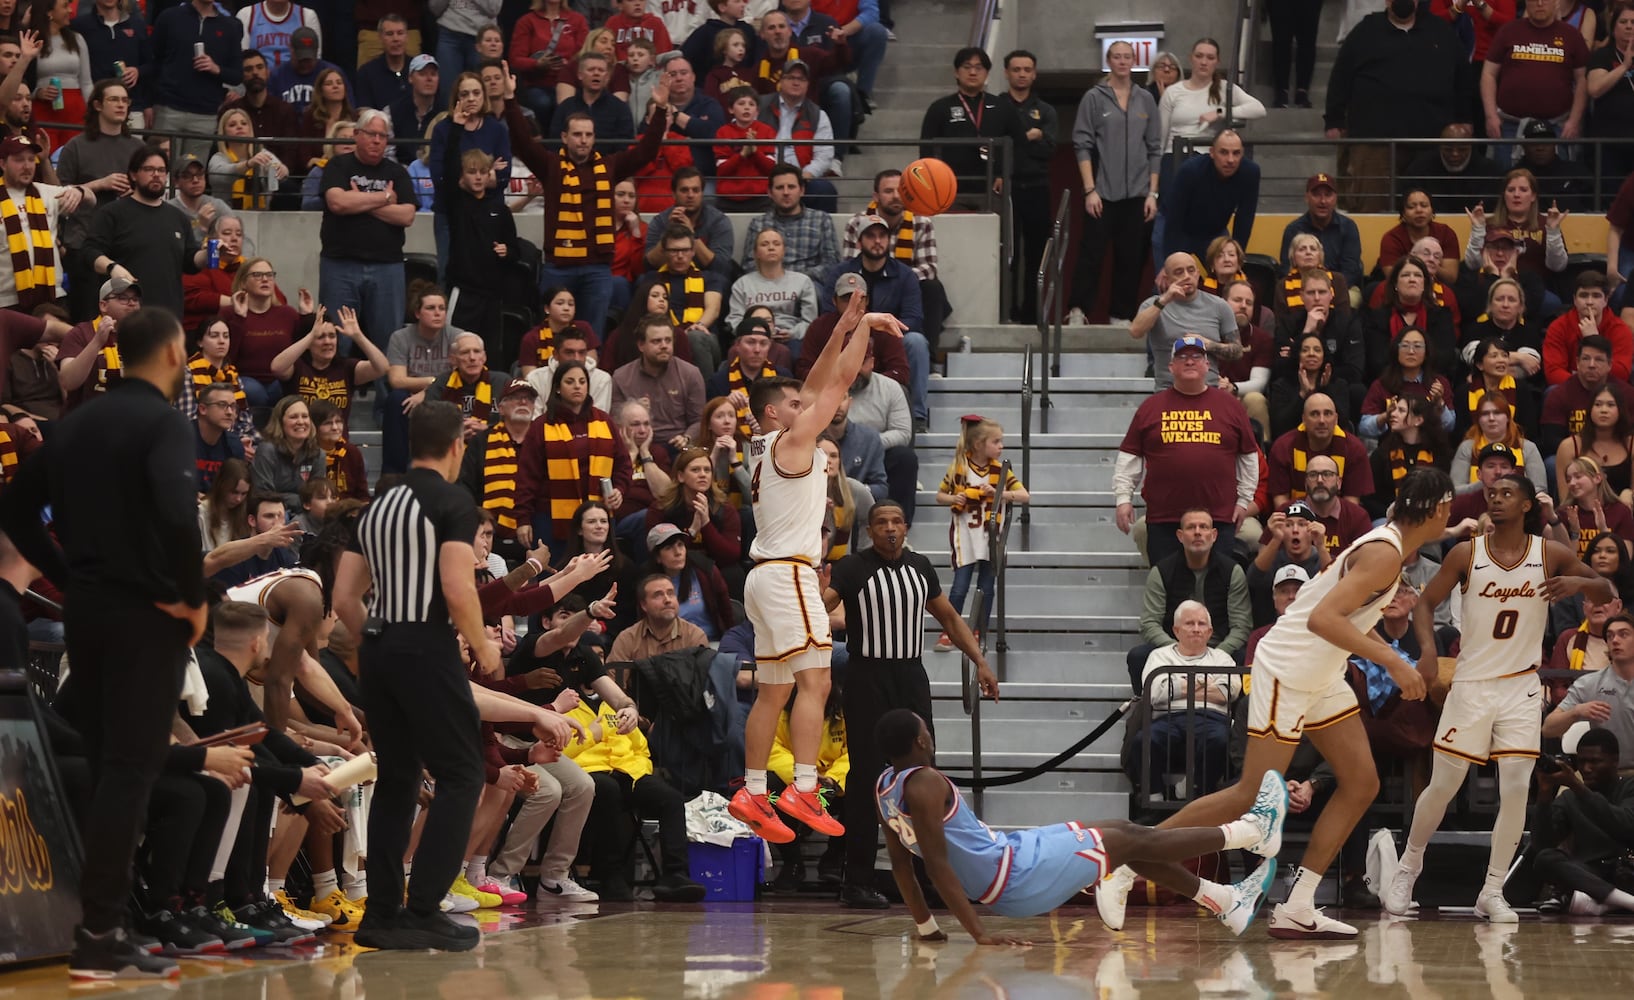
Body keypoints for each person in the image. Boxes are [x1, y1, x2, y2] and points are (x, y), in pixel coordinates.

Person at [1096, 467, 1455, 941]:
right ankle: (1127, 865)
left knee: (1361, 782)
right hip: (1289, 666)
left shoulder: (1388, 546)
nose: (1452, 514)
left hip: (1321, 672)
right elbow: (1323, 619)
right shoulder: (1383, 554)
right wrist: (1393, 661)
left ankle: (1299, 904)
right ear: (1432, 508)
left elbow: (1337, 614)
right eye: (1448, 506)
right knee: (1248, 793)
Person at [331, 401, 583, 953]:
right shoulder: (452, 500)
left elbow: (345, 596)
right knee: (463, 773)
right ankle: (423, 907)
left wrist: (377, 639)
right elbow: (456, 584)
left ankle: (381, 915)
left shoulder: (377, 505)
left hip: (378, 647)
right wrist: (487, 657)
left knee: (397, 777)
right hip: (425, 645)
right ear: (456, 447)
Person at [0, 307, 202, 980]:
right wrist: (191, 597)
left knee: (107, 766)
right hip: (145, 612)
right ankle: (99, 934)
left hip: (86, 611)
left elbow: (16, 510)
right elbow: (177, 516)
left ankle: (103, 926)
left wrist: (66, 577)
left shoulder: (75, 422)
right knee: (129, 772)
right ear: (173, 354)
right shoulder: (165, 423)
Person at [1386, 471, 1613, 921]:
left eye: (1508, 493)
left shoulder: (1549, 552)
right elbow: (1426, 604)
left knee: (1514, 790)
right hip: (1471, 683)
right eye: (1491, 493)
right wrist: (1429, 652)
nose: (1497, 499)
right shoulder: (1466, 553)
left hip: (1522, 686)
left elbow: (1607, 588)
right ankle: (1408, 866)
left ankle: (1492, 891)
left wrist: (1581, 584)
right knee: (1444, 785)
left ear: (1527, 505)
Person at [876, 708, 1288, 945]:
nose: (931, 736)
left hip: (1011, 854)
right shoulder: (926, 782)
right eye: (926, 731)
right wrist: (980, 934)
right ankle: (1252, 830)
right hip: (1014, 878)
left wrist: (927, 928)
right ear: (920, 742)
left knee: (1125, 833)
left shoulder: (883, 787)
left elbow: (900, 866)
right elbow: (936, 865)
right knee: (1130, 840)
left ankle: (1223, 900)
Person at [728, 293, 902, 844]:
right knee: (818, 680)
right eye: (794, 403)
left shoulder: (771, 441)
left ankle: (754, 791)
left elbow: (820, 375)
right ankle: (803, 785)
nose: (806, 406)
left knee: (774, 692)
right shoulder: (794, 439)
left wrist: (852, 323)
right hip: (789, 573)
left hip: (764, 577)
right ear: (776, 413)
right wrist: (864, 334)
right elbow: (838, 384)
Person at [817, 501, 997, 907]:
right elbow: (821, 607)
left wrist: (981, 662)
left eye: (896, 521)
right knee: (865, 777)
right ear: (870, 529)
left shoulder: (920, 567)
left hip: (911, 676)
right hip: (866, 678)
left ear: (906, 527)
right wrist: (816, 595)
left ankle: (927, 875)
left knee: (922, 776)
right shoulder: (852, 568)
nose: (890, 528)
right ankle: (857, 881)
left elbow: (949, 618)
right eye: (881, 523)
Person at [503, 65, 669, 337]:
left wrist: (660, 111)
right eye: (577, 135)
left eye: (588, 135)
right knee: (553, 336)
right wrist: (510, 101)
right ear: (565, 137)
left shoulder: (610, 166)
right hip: (559, 268)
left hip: (597, 269)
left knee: (593, 338)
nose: (583, 140)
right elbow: (522, 142)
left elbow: (646, 152)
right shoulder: (550, 165)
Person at [1115, 335, 1259, 566]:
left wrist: (1243, 501)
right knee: (1169, 589)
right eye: (1182, 357)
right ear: (1171, 367)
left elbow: (1248, 458)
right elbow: (1130, 457)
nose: (1190, 361)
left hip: (1218, 518)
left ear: (1207, 365)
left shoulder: (1231, 406)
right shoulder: (1151, 407)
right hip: (1164, 518)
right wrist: (1123, 498)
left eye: (1196, 356)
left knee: (1215, 591)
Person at [1322, 0, 1469, 210]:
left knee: (1429, 210)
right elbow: (1340, 76)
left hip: (1430, 142)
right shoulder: (1365, 31)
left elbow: (1463, 80)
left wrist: (1465, 119)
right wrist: (1334, 119)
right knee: (1372, 209)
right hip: (1375, 141)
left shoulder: (1441, 31)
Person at [1069, 40, 1160, 328]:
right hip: (1102, 194)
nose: (1122, 61)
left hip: (1137, 194)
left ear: (1134, 60)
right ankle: (1078, 309)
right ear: (1109, 60)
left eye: (1127, 57)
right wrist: (1089, 190)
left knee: (1130, 258)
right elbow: (1081, 144)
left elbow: (1154, 148)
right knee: (1091, 255)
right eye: (1117, 56)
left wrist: (1152, 193)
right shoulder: (1094, 98)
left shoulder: (1145, 99)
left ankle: (1120, 314)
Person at [317, 108, 416, 362]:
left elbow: (406, 216)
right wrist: (383, 198)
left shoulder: (397, 172)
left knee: (389, 343)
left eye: (382, 136)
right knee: (336, 340)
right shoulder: (338, 165)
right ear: (357, 135)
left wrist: (360, 201)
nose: (377, 140)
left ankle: (389, 402)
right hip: (340, 265)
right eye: (371, 134)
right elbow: (338, 203)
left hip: (387, 267)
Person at [1505, 727, 1634, 913]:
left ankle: (1603, 900)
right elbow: (1542, 844)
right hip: (1588, 875)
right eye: (1582, 762)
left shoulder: (1629, 787)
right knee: (1546, 858)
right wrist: (1544, 794)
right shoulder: (1570, 798)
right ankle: (1620, 902)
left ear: (1615, 761)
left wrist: (1576, 785)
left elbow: (1625, 825)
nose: (1587, 768)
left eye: (1595, 761)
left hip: (1626, 872)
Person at [515, 359, 633, 554]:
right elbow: (527, 477)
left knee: (599, 577)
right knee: (555, 578)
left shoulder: (605, 421)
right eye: (570, 381)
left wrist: (619, 489)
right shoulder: (541, 426)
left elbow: (623, 466)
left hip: (599, 517)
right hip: (551, 518)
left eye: (582, 381)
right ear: (558, 388)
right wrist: (523, 519)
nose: (577, 386)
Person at [933, 416, 1027, 649]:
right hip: (965, 536)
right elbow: (939, 496)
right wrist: (955, 498)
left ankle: (979, 629)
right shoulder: (959, 467)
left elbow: (1024, 495)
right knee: (960, 586)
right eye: (996, 442)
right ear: (978, 445)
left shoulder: (1001, 470)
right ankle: (951, 630)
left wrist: (998, 493)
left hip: (990, 537)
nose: (1001, 446)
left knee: (986, 587)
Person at [1130, 507, 1253, 679]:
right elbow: (1149, 623)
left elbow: (1241, 626)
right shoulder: (1161, 571)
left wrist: (1216, 656)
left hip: (1219, 648)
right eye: (1191, 527)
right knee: (1138, 656)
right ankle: (1145, 705)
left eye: (1203, 527)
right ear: (1180, 536)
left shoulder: (1232, 571)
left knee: (1244, 657)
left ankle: (1233, 705)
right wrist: (1176, 652)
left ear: (1214, 535)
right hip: (1173, 648)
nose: (1197, 532)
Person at [1136, 600, 1242, 796]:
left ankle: (1196, 791)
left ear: (1210, 632)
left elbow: (1227, 693)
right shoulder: (1159, 657)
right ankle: (1154, 798)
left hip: (1212, 719)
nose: (1196, 629)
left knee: (1221, 740)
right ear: (1176, 630)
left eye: (1201, 624)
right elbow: (1155, 693)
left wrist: (1177, 685)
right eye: (1189, 623)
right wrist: (1206, 682)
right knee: (1145, 740)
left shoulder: (1222, 658)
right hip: (1169, 717)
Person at [831, 225, 931, 430]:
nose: (877, 241)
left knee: (917, 341)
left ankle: (918, 415)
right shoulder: (841, 273)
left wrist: (879, 326)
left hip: (888, 338)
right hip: (846, 342)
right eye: (870, 236)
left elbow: (914, 318)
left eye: (882, 236)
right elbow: (828, 315)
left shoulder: (905, 275)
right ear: (859, 242)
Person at [87, 146, 205, 320]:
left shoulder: (178, 217)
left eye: (161, 170)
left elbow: (191, 261)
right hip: (126, 316)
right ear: (133, 174)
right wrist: (112, 267)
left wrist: (210, 253)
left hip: (168, 317)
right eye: (149, 169)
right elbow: (90, 252)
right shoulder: (113, 213)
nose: (156, 174)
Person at [918, 47, 1029, 209]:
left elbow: (1020, 145)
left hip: (991, 190)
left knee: (992, 234)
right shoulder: (940, 108)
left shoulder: (1002, 106)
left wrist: (1005, 174)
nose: (973, 72)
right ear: (956, 72)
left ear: (986, 73)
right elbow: (926, 149)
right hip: (951, 190)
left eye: (979, 68)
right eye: (967, 67)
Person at [1482, 0, 1589, 162]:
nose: (1539, 4)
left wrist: (1574, 121)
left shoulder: (1571, 35)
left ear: (1555, 3)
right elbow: (1488, 73)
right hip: (1510, 125)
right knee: (1506, 181)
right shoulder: (1508, 31)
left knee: (1557, 184)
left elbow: (1582, 80)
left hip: (1556, 127)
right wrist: (1490, 116)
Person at [0, 132, 87, 311]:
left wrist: (80, 191)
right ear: (2, 164)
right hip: (7, 301)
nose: (27, 166)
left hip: (51, 297)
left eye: (31, 160)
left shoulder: (46, 192)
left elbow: (91, 200)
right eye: (19, 160)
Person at [150, 0, 243, 164]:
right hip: (168, 109)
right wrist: (149, 103)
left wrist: (216, 69)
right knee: (161, 171)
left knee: (193, 174)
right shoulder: (170, 17)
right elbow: (154, 60)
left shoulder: (231, 26)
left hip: (205, 115)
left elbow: (237, 75)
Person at [1131, 252, 1241, 388]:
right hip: (1168, 389)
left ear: (1197, 273)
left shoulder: (1219, 305)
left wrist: (1208, 344)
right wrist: (1164, 300)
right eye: (1179, 272)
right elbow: (1136, 332)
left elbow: (1237, 351)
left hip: (1209, 389)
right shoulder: (1153, 305)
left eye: (1191, 270)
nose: (1186, 276)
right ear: (1167, 278)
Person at [1003, 49, 1055, 324]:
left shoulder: (1045, 110)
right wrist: (1029, 136)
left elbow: (1049, 149)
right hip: (1006, 188)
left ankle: (1031, 314)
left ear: (1034, 74)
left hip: (1037, 187)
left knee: (1036, 254)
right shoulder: (997, 106)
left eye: (1026, 69)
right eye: (1016, 69)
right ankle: (1006, 312)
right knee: (1007, 254)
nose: (1021, 74)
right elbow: (998, 147)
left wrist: (1019, 140)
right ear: (1006, 73)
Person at [1157, 130, 1259, 262]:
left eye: (1236, 153)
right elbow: (1175, 217)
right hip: (1175, 226)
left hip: (1214, 231)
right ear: (1212, 152)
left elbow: (1245, 217)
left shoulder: (1250, 172)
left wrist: (1237, 257)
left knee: (1228, 275)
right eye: (1223, 152)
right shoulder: (1190, 170)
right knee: (1169, 276)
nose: (1230, 159)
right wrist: (1170, 260)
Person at [756, 60, 836, 212]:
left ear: (807, 84)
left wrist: (803, 176)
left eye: (801, 79)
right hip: (762, 174)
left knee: (825, 191)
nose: (796, 82)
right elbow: (739, 128)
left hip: (801, 176)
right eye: (791, 78)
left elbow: (824, 156)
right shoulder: (759, 106)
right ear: (781, 81)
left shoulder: (818, 115)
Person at [1280, 174, 1364, 293]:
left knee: (1352, 299)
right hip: (1300, 289)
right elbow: (1286, 268)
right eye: (1316, 195)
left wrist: (1326, 291)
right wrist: (1309, 291)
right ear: (1306, 197)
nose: (1323, 201)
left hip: (1341, 289)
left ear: (1336, 198)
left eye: (1328, 195)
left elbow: (1350, 271)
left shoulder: (1348, 227)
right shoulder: (1293, 230)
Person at [1545, 271, 1633, 384]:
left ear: (1606, 300)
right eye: (1583, 295)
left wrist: (1594, 340)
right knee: (1552, 392)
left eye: (1596, 296)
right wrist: (1583, 386)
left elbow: (1621, 373)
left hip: (1608, 391)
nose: (1589, 302)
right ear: (1574, 300)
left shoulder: (1620, 329)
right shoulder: (1558, 327)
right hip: (1571, 388)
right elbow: (1553, 372)